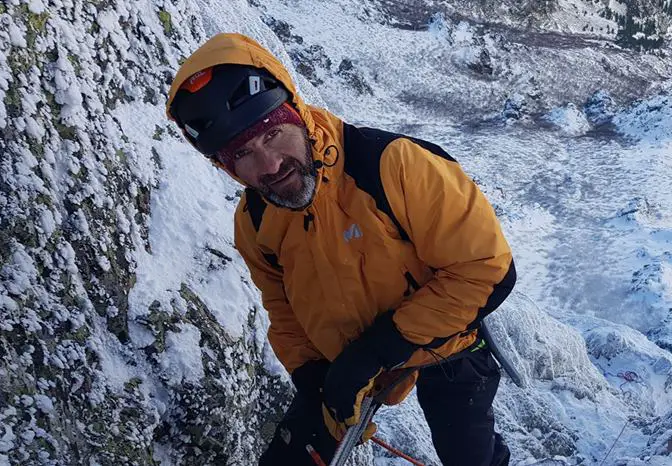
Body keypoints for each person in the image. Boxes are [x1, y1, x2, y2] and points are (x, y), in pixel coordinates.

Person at [165, 33, 516, 466]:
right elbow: (285, 310)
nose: (270, 166)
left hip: (447, 339)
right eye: (244, 154)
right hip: (342, 363)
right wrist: (311, 376)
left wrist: (376, 351)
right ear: (225, 166)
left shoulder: (394, 166)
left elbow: (486, 271)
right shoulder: (255, 221)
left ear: (296, 111)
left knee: (470, 455)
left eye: (273, 134)